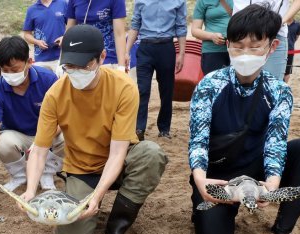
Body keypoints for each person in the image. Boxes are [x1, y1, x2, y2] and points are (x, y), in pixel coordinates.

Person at [188, 5, 300, 234]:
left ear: (271, 47)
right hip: (222, 173)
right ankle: (204, 207)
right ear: (227, 45)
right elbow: (199, 138)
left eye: (254, 46)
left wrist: (272, 184)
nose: (245, 54)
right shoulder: (210, 85)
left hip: (257, 167)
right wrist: (201, 180)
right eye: (238, 46)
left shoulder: (279, 91)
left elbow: (276, 140)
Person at [18, 25, 167, 234]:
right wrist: (29, 191)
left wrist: (96, 198)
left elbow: (118, 152)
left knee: (151, 154)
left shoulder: (123, 87)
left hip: (119, 161)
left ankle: (116, 228)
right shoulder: (54, 95)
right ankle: (83, 200)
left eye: (84, 64)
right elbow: (39, 150)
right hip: (82, 168)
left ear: (102, 57)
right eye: (69, 66)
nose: (76, 71)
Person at [0, 36, 64, 194]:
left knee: (67, 135)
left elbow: (62, 118)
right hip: (19, 136)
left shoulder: (48, 79)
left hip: (48, 133)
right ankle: (19, 176)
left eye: (15, 69)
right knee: (4, 141)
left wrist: (41, 140)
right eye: (5, 70)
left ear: (29, 62)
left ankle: (47, 174)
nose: (10, 74)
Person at [126, 0, 187, 141]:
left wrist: (181, 54)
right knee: (142, 89)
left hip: (166, 47)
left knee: (166, 90)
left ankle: (164, 129)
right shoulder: (140, 1)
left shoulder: (178, 2)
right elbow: (135, 24)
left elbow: (181, 26)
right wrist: (127, 51)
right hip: (145, 48)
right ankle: (139, 128)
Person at [232, 0, 300, 80]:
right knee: (241, 83)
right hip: (242, 33)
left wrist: (281, 21)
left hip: (275, 34)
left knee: (272, 83)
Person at [65, 0, 128, 71]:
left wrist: (121, 66)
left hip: (106, 58)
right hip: (80, 59)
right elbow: (69, 32)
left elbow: (119, 34)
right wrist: (64, 60)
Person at [22, 0, 68, 73]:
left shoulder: (63, 4)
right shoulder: (31, 10)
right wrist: (37, 42)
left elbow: (72, 25)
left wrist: (64, 37)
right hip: (41, 59)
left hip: (61, 57)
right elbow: (26, 34)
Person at [191, 0, 233, 74]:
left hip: (237, 50)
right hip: (213, 50)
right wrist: (212, 36)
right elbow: (195, 30)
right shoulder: (203, 1)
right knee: (214, 83)